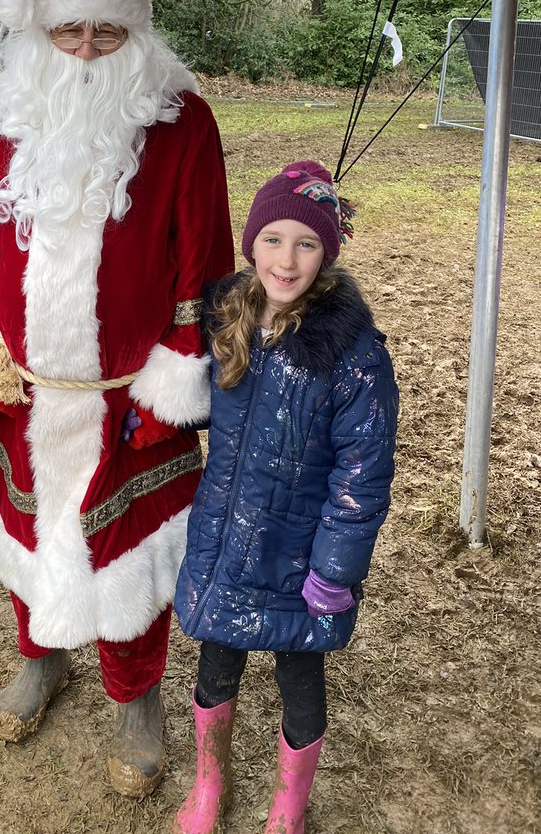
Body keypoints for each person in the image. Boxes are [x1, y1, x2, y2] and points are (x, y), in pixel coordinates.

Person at [0, 0, 234, 797]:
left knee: (126, 553)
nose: (87, 47)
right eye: (69, 29)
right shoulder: (8, 120)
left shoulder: (181, 120)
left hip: (128, 395)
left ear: (135, 29)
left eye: (107, 30)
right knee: (30, 531)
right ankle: (41, 656)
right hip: (25, 388)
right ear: (37, 29)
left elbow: (207, 262)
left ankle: (135, 696)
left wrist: (177, 379)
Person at [172, 161, 398, 834]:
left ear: (327, 251)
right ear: (252, 244)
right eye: (272, 239)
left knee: (300, 680)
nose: (286, 258)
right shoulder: (231, 319)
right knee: (216, 666)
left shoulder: (352, 353)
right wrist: (157, 411)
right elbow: (206, 402)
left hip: (300, 561)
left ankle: (288, 807)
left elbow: (364, 472)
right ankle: (210, 781)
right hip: (225, 542)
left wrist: (335, 570)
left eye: (306, 242)